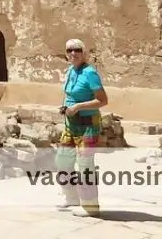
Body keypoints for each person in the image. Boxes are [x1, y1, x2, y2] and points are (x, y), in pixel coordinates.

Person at [55, 38, 108, 217]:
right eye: (69, 50)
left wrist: (78, 107)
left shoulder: (90, 73)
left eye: (77, 50)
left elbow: (102, 100)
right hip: (71, 125)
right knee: (62, 160)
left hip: (88, 125)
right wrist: (65, 107)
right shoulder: (70, 70)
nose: (73, 53)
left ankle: (90, 207)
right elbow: (68, 94)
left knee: (85, 165)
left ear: (84, 53)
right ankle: (71, 197)